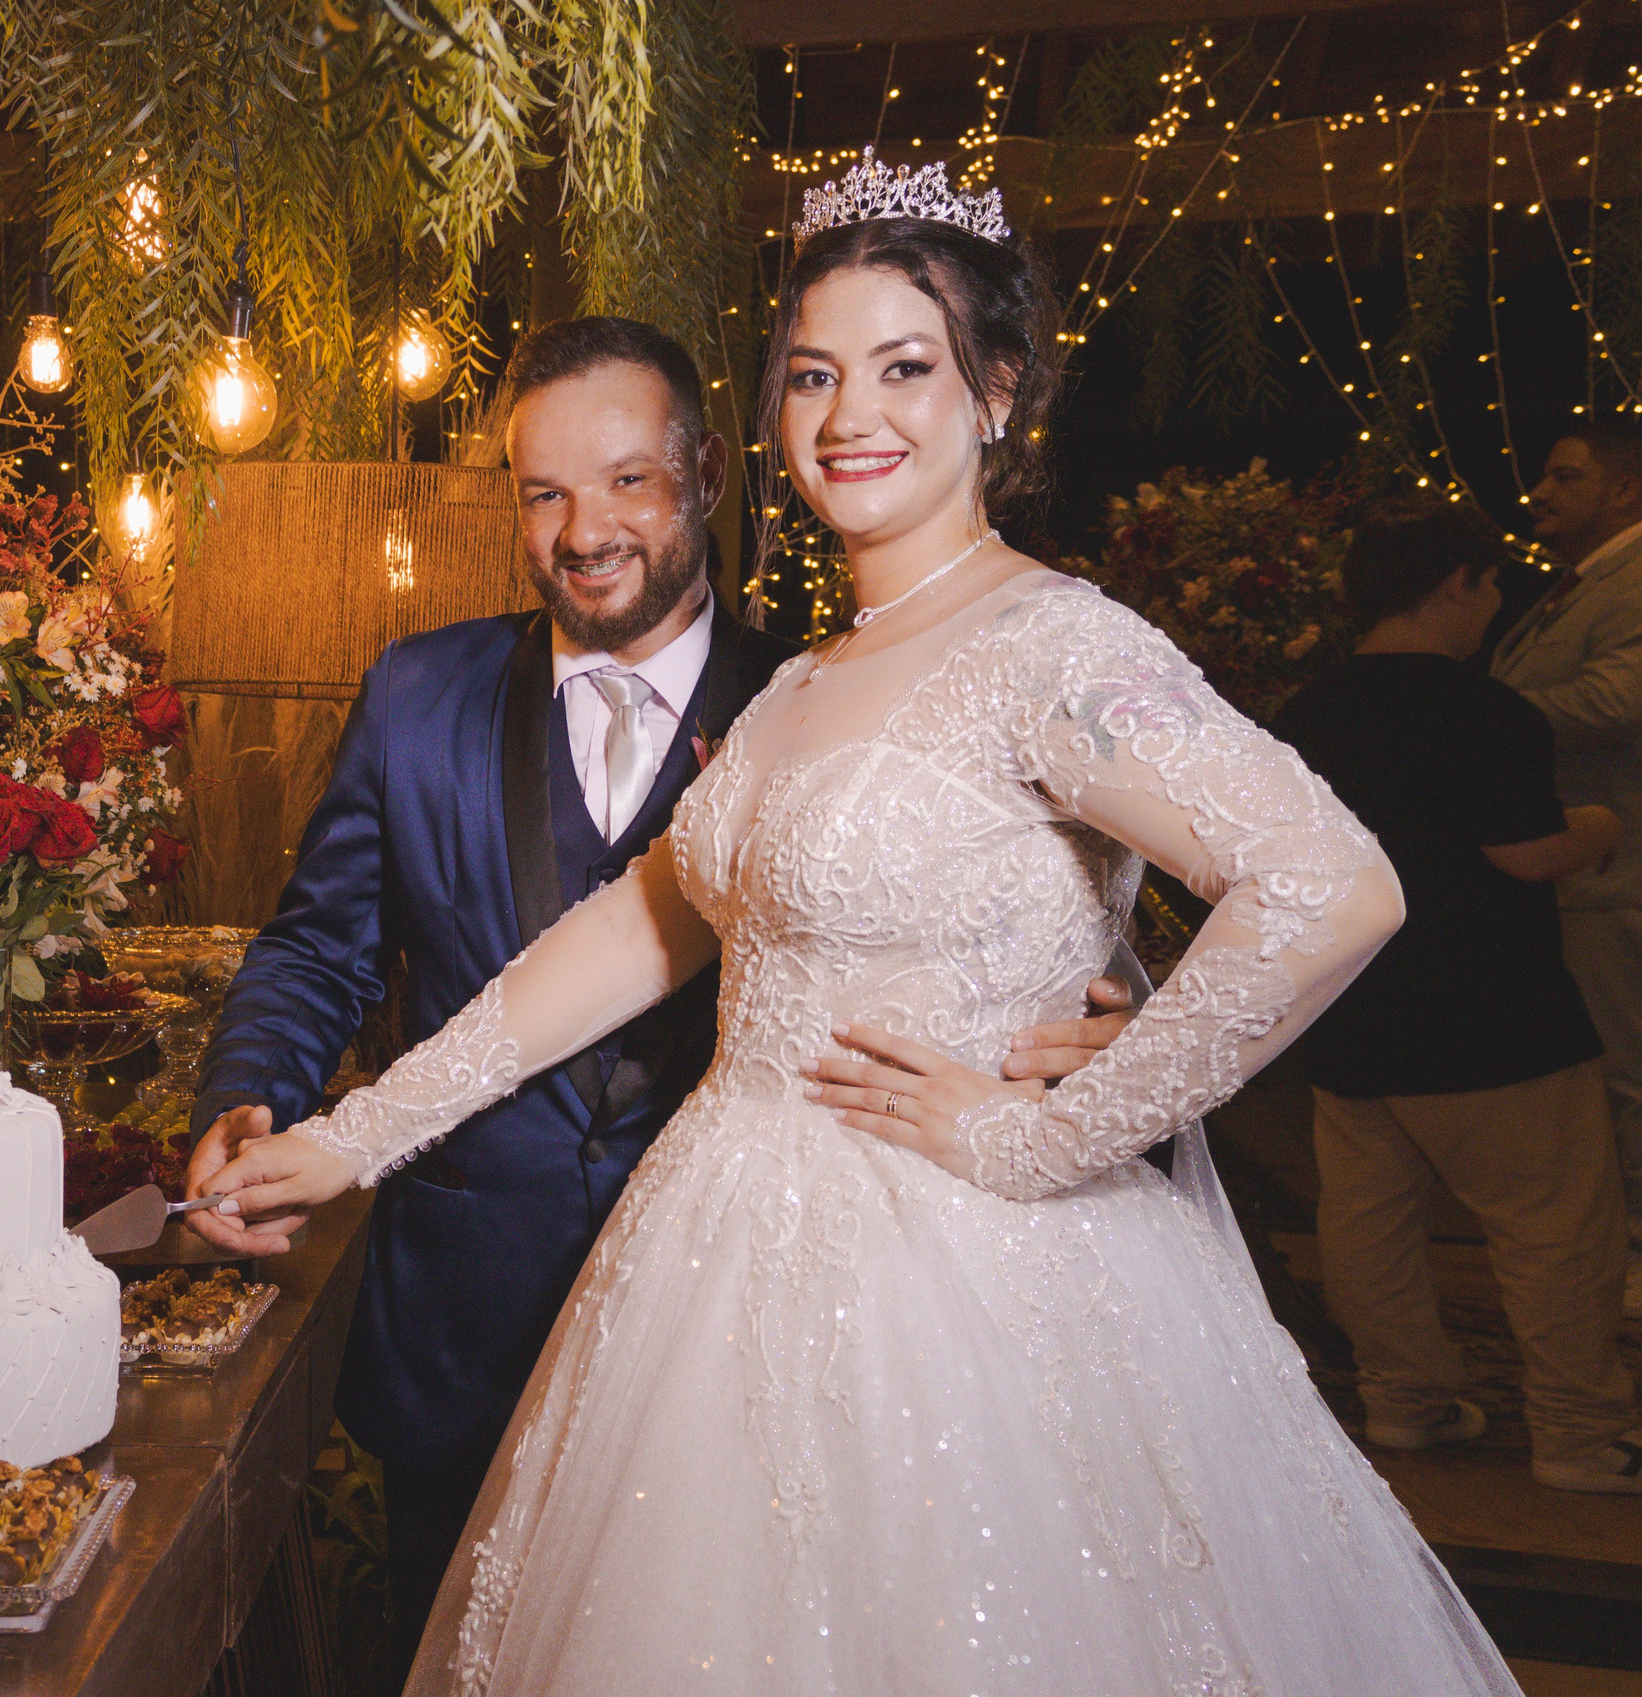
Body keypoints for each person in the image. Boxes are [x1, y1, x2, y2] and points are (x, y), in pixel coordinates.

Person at [195, 152, 1521, 1695]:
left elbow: (1332, 883)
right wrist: (352, 1137)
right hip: (717, 1271)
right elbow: (635, 935)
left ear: (997, 393)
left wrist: (1059, 1130)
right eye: (815, 374)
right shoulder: (810, 680)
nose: (848, 417)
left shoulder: (1051, 644)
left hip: (958, 1296)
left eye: (906, 367)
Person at [182, 315, 1139, 1679]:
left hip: (754, 1338)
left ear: (704, 479)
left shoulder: (825, 701)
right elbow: (319, 947)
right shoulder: (418, 694)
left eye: (628, 480)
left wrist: (1097, 1040)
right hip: (468, 1309)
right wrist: (252, 1090)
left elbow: (1043, 918)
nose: (586, 532)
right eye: (545, 493)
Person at [1274, 497, 1636, 1495]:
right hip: (1492, 1016)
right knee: (1553, 1229)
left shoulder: (1305, 711)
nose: (1493, 603)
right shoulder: (1486, 710)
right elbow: (1527, 853)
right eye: (1489, 582)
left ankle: (1403, 1401)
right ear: (1455, 583)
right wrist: (1603, 826)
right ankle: (1580, 1434)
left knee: (1370, 1225)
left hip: (1353, 1011)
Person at [1493, 420, 1642, 1247]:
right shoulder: (1579, 583)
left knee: (1626, 1076)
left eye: (1564, 476)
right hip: (1579, 875)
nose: (1539, 493)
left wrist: (1475, 719)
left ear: (1625, 489)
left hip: (1616, 872)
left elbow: (1616, 700)